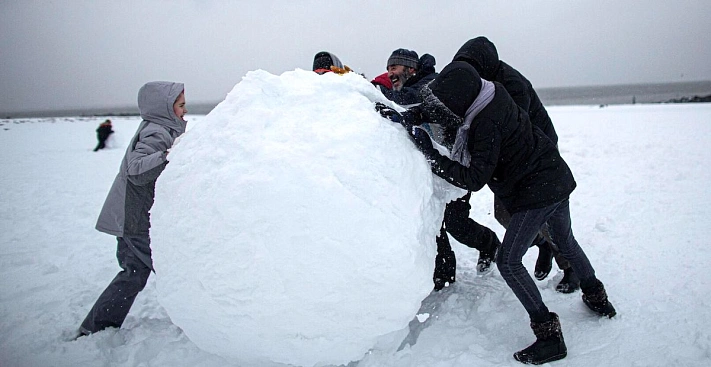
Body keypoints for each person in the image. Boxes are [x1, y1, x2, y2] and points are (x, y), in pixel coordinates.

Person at [394, 61, 616, 364]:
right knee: (565, 241)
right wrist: (416, 115)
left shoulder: (486, 123)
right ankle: (597, 298)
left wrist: (430, 153)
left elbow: (473, 178)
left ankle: (549, 337)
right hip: (554, 176)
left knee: (509, 262)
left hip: (537, 192)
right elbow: (451, 113)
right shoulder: (488, 94)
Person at [452, 36, 580, 293]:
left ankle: (571, 269)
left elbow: (510, 128)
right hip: (507, 160)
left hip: (536, 157)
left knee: (546, 217)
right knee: (504, 214)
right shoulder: (481, 83)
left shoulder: (512, 85)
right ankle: (542, 245)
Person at [376, 48, 500, 291]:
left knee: (456, 224)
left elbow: (410, 100)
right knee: (432, 221)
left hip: (455, 166)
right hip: (432, 167)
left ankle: (490, 244)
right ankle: (443, 274)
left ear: (410, 69)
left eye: (394, 68)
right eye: (388, 68)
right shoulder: (408, 86)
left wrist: (374, 88)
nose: (389, 73)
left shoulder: (431, 84)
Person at [76, 81, 188, 337]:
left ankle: (95, 327)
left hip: (134, 217)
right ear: (164, 108)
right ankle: (204, 315)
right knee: (172, 266)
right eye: (180, 105)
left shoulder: (163, 128)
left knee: (134, 273)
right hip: (133, 218)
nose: (185, 110)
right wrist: (170, 155)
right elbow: (137, 169)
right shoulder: (158, 131)